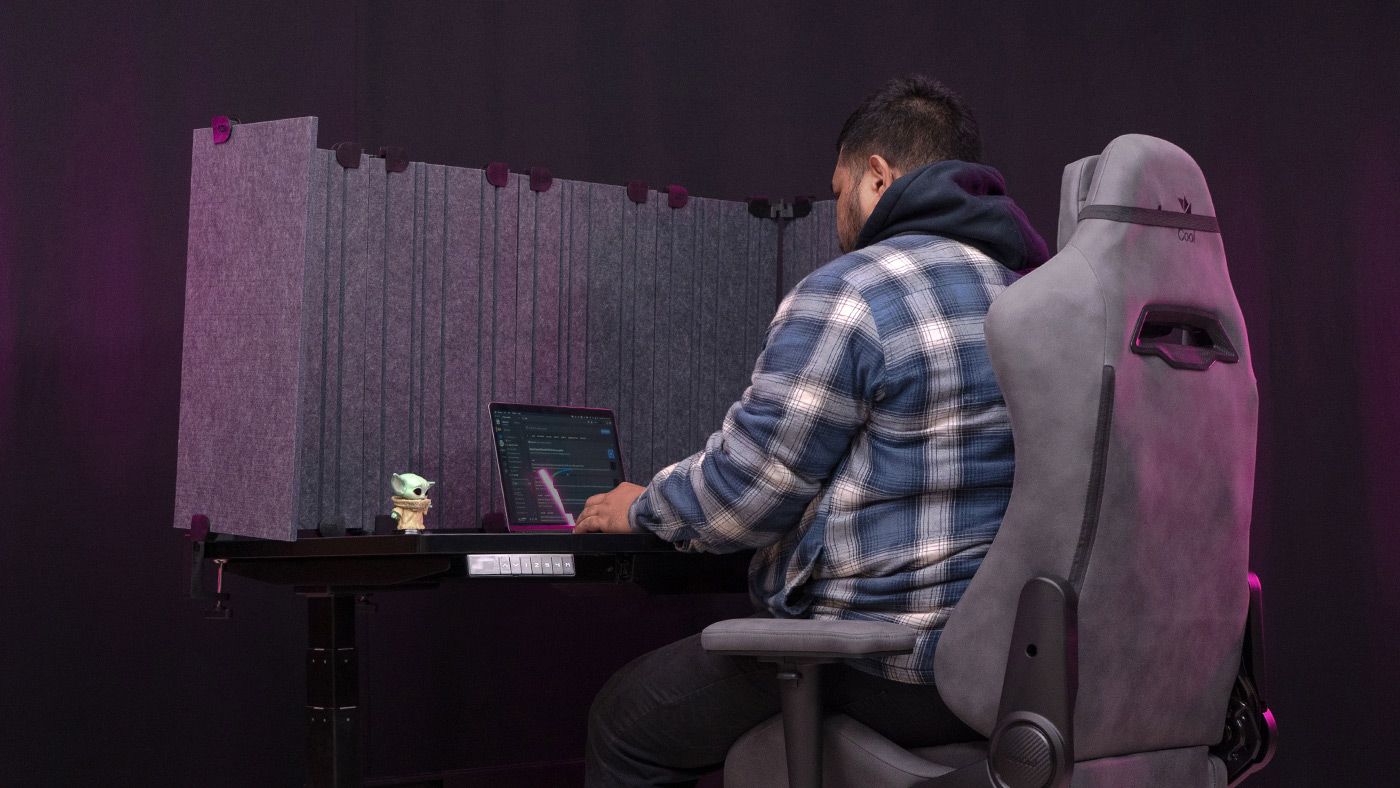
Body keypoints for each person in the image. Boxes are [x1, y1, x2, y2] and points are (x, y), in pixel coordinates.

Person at [573, 74, 1049, 787]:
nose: (836, 217)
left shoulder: (852, 293)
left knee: (624, 721)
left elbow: (747, 495)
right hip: (1012, 670)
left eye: (838, 192)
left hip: (882, 660)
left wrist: (641, 504)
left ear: (877, 176)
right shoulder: (1036, 296)